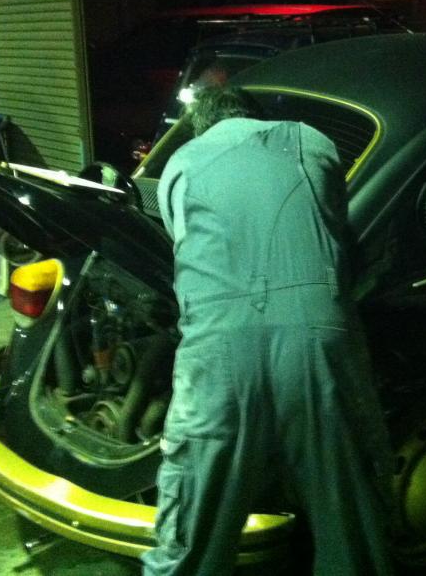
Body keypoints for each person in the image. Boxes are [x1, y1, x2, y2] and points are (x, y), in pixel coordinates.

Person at [142, 85, 394, 576]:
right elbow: (333, 224)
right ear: (251, 115)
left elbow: (183, 244)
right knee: (350, 513)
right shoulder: (312, 143)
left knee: (195, 520)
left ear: (202, 126)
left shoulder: (182, 162)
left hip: (217, 350)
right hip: (319, 338)